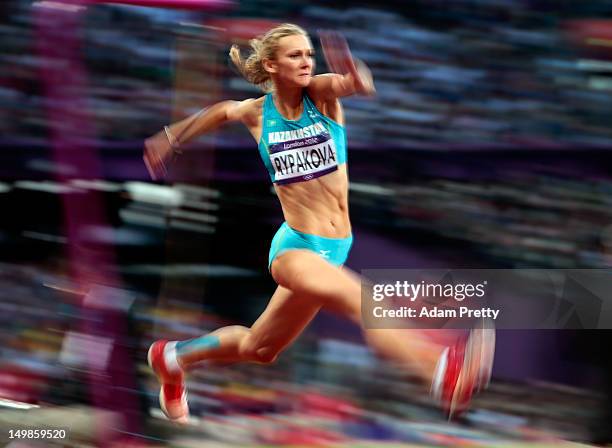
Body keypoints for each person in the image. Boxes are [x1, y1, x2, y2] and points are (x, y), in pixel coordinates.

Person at [144, 23, 494, 422]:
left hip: (335, 248)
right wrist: (171, 135)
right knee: (364, 300)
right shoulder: (257, 114)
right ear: (272, 66)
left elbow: (356, 83)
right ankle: (440, 368)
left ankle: (172, 357)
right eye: (296, 55)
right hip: (295, 250)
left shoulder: (321, 97)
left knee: (261, 348)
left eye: (309, 54)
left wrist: (353, 69)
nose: (307, 61)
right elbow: (223, 109)